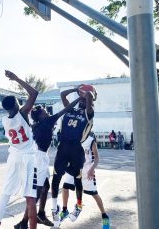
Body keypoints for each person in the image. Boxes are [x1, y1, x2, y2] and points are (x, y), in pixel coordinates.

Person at [14, 97, 81, 229]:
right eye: (44, 111)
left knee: (45, 186)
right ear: (40, 116)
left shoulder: (38, 124)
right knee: (37, 192)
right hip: (38, 158)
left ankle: (41, 213)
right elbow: (66, 109)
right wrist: (79, 97)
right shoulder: (47, 122)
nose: (47, 112)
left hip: (40, 156)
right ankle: (23, 222)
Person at [0, 70, 38, 229]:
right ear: (17, 105)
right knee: (31, 197)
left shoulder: (5, 120)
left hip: (13, 157)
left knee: (5, 193)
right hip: (28, 157)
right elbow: (34, 93)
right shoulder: (23, 114)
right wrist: (16, 78)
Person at [51, 85, 95, 227]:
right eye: (81, 99)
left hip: (76, 148)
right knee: (56, 177)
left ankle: (79, 206)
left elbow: (89, 96)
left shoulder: (89, 112)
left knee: (77, 179)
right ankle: (54, 208)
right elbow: (63, 94)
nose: (82, 101)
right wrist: (76, 90)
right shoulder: (70, 109)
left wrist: (87, 93)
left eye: (84, 100)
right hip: (63, 146)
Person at [62, 133, 110, 228]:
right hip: (74, 168)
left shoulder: (91, 141)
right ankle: (64, 210)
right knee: (65, 186)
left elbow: (96, 158)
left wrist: (92, 169)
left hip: (87, 170)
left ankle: (104, 216)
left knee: (94, 194)